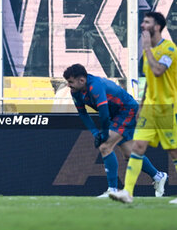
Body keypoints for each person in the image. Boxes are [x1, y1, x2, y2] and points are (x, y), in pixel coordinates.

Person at [63, 63, 167, 198]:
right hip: (117, 115)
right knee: (129, 153)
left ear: (81, 80)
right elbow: (83, 114)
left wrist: (105, 134)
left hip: (128, 110)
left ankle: (112, 189)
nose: (68, 85)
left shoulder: (95, 86)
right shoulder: (76, 92)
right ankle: (158, 176)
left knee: (105, 146)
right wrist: (95, 133)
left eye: (70, 82)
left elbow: (104, 113)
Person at [109, 12, 177, 203]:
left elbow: (157, 71)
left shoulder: (169, 49)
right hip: (150, 108)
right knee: (137, 147)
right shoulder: (149, 52)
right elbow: (149, 81)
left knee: (173, 150)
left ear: (156, 27)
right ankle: (127, 192)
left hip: (166, 107)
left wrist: (147, 48)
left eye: (146, 22)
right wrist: (141, 103)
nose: (142, 25)